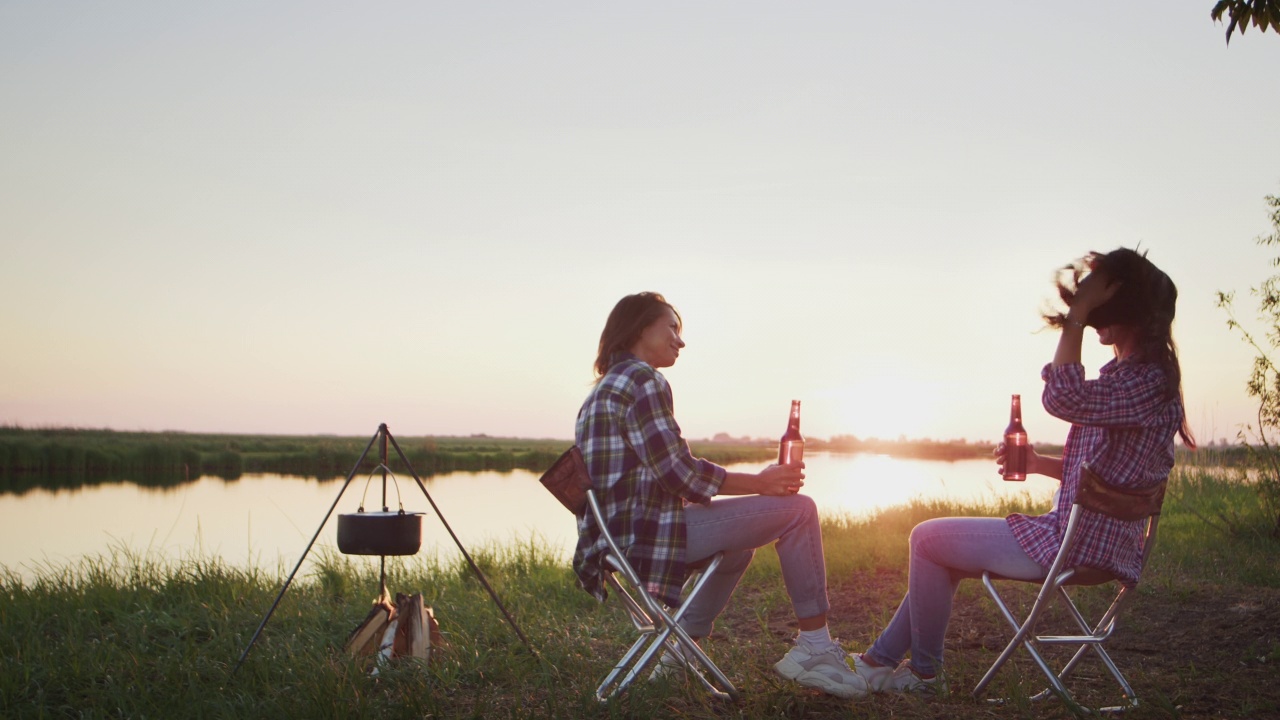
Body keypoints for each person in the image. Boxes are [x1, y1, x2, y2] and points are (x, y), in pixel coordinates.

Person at [851, 247, 1196, 694]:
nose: (1094, 321)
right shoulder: (1142, 380)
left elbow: (1063, 399)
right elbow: (1110, 479)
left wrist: (1076, 314)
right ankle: (878, 662)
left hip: (1072, 546)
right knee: (943, 550)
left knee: (926, 538)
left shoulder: (1141, 382)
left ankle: (922, 674)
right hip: (1104, 545)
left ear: (1129, 312)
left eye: (1101, 309)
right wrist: (1038, 464)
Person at [572, 291, 868, 699]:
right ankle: (814, 648)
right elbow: (680, 473)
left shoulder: (601, 391)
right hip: (645, 539)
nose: (681, 340)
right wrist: (761, 483)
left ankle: (680, 652)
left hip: (614, 544)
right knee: (800, 510)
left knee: (738, 548)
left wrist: (706, 495)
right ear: (641, 328)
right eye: (672, 328)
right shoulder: (643, 380)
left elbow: (653, 476)